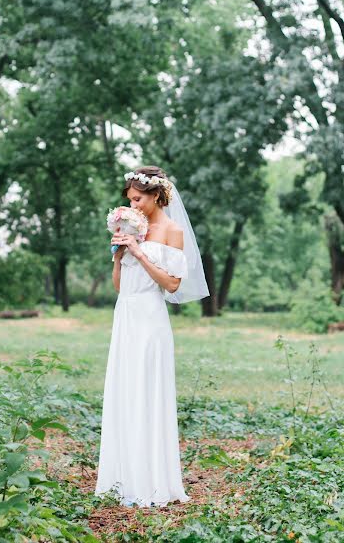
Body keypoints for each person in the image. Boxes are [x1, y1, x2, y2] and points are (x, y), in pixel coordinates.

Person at [94, 166, 210, 508]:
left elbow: (172, 284)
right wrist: (119, 256)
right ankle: (122, 478)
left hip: (150, 317)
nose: (134, 205)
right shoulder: (130, 228)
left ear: (157, 196)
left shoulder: (171, 231)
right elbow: (119, 286)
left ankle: (152, 481)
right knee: (124, 391)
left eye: (138, 199)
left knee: (147, 392)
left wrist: (141, 252)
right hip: (125, 314)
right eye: (129, 200)